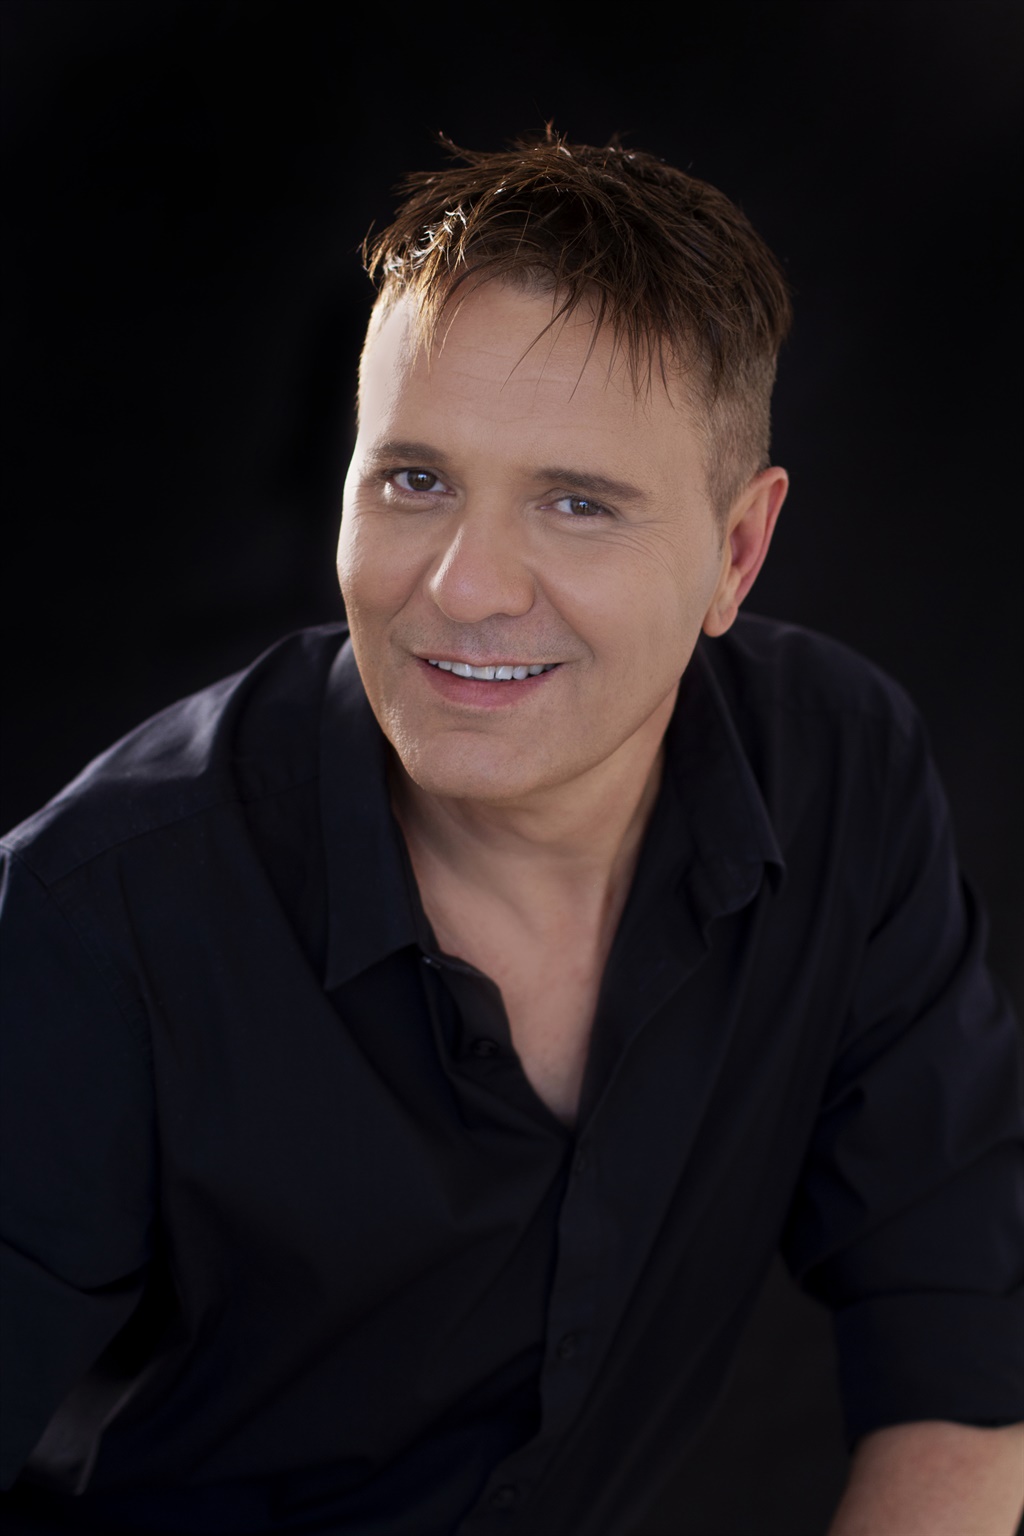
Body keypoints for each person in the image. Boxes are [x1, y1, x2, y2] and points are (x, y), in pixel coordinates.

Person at [1, 132, 1021, 1536]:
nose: (466, 587)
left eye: (577, 503)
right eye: (414, 480)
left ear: (737, 552)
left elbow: (965, 1372)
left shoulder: (839, 772)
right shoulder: (94, 918)